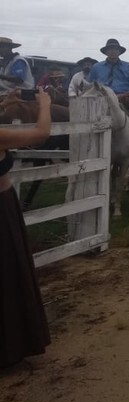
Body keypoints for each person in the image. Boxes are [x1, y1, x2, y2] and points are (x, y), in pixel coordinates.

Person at [0, 88, 52, 367]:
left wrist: (4, 104)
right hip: (1, 208)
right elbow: (42, 132)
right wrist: (44, 104)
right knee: (8, 272)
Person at [88, 39, 129, 163]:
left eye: (115, 49)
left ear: (119, 52)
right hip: (102, 99)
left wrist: (126, 94)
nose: (112, 51)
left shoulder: (128, 66)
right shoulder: (96, 67)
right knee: (86, 120)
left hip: (124, 97)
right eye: (110, 49)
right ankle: (87, 148)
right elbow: (90, 84)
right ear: (106, 52)